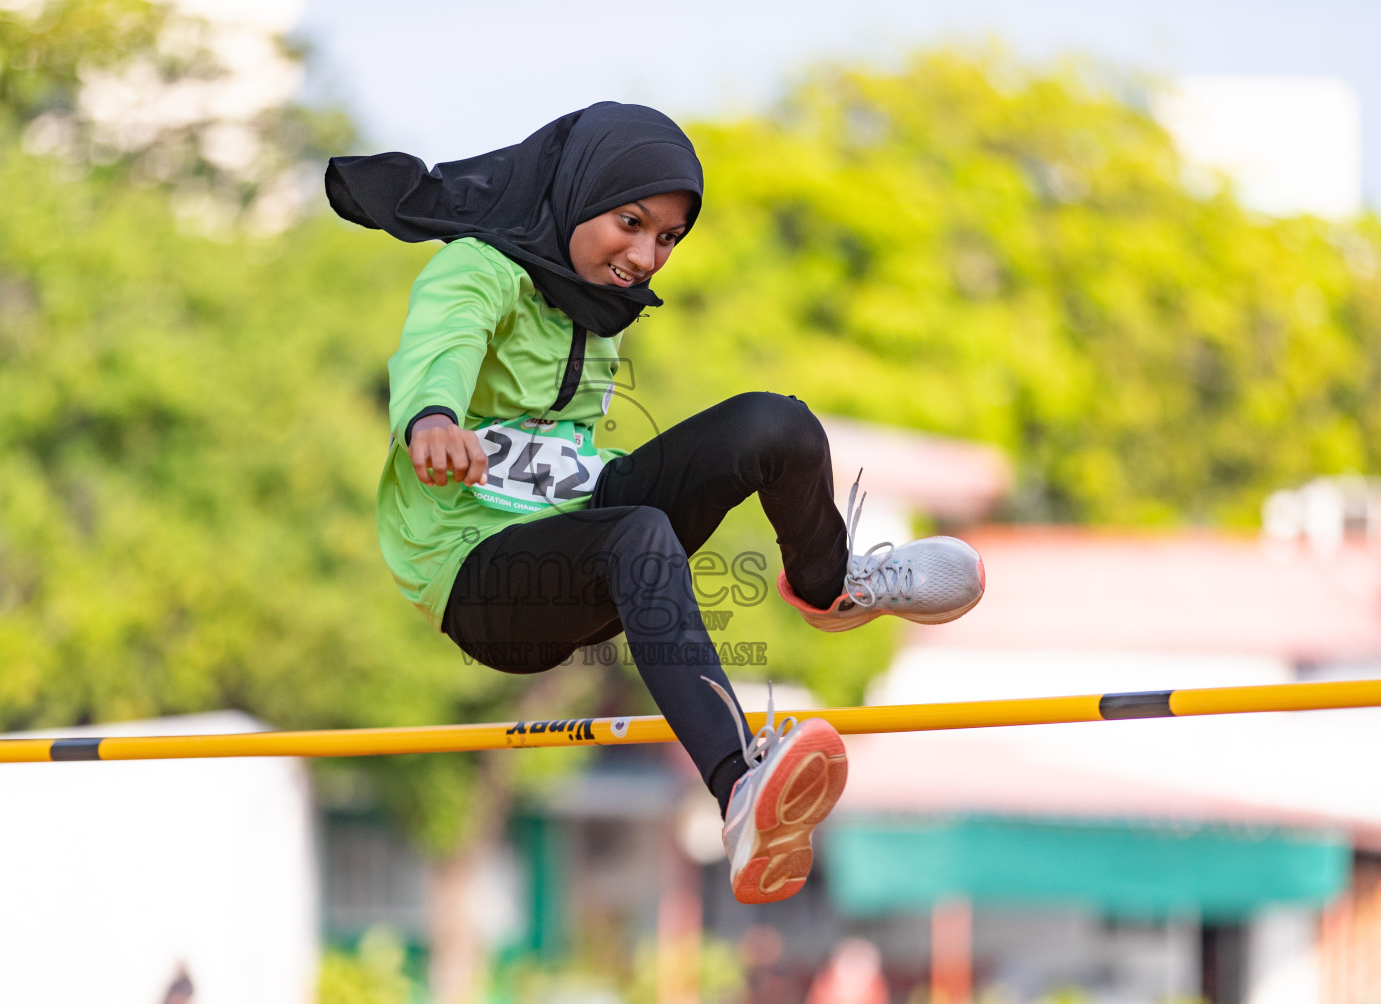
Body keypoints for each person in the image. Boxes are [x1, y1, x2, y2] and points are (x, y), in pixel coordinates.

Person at [325, 102, 984, 905]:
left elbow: (561, 454)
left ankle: (829, 584)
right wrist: (433, 416)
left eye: (667, 239)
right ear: (574, 193)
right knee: (637, 534)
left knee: (773, 423)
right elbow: (446, 338)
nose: (644, 256)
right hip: (481, 582)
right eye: (631, 224)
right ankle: (739, 788)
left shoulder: (596, 306)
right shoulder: (479, 270)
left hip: (579, 527)